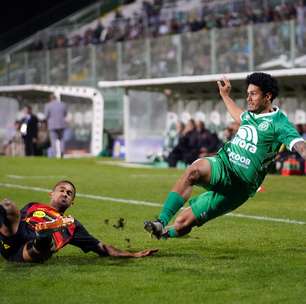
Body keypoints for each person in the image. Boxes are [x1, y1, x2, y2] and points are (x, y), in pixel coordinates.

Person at [144, 72, 306, 239]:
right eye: (248, 94)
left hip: (240, 187)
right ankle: (160, 222)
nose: (248, 98)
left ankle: (163, 234)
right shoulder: (250, 115)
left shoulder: (279, 123)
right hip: (224, 165)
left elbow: (300, 146)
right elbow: (237, 114)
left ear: (268, 96)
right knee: (194, 171)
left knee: (183, 223)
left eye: (253, 94)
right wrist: (224, 95)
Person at [0, 180, 157, 262]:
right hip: (13, 236)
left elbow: (102, 248)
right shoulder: (33, 206)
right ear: (51, 194)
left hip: (29, 251)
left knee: (40, 247)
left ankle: (44, 235)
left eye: (69, 193)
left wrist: (133, 255)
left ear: (71, 202)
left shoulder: (73, 224)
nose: (65, 194)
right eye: (61, 190)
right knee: (8, 207)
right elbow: (17, 220)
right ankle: (44, 232)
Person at [44, 93, 68, 158]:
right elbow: (65, 114)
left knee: (53, 140)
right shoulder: (63, 104)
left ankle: (54, 155)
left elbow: (46, 116)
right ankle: (62, 153)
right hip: (62, 125)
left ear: (50, 98)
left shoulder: (48, 105)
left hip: (52, 125)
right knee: (62, 139)